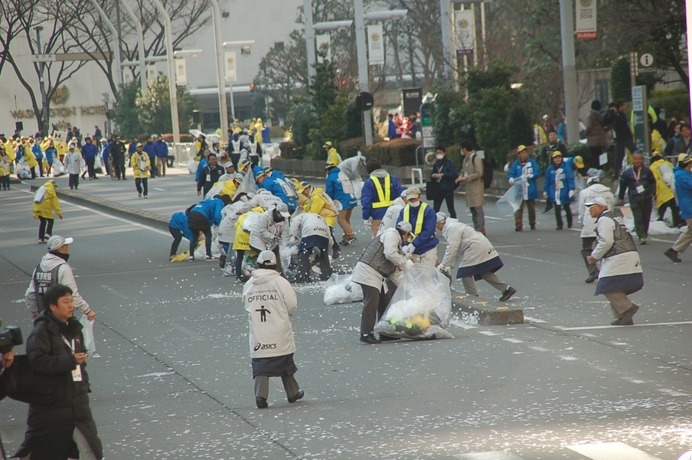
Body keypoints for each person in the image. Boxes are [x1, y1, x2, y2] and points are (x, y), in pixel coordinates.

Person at [14, 284, 103, 459]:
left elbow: (80, 361)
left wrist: (84, 383)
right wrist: (70, 361)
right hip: (51, 407)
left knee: (90, 450)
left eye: (71, 301)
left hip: (78, 403)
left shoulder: (74, 328)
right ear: (53, 306)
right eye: (65, 302)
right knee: (42, 450)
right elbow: (37, 362)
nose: (71, 306)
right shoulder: (41, 332)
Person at [242, 250, 303, 409]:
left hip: (259, 330)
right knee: (284, 361)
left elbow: (246, 304)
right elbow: (291, 305)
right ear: (275, 265)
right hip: (278, 327)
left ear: (258, 264)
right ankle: (292, 392)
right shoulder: (281, 282)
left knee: (262, 362)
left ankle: (261, 395)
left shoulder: (250, 284)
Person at [352, 221, 413, 344]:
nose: (407, 239)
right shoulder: (392, 234)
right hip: (368, 271)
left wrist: (408, 287)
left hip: (377, 275)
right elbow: (390, 254)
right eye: (408, 236)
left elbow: (394, 272)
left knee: (385, 302)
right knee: (372, 303)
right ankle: (365, 333)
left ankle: (385, 332)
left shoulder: (396, 244)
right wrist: (404, 262)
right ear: (405, 233)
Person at [586, 197, 643, 325]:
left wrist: (594, 256)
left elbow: (606, 241)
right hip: (627, 254)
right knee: (615, 286)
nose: (589, 210)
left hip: (619, 256)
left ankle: (627, 309)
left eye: (592, 207)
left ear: (601, 207)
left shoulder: (604, 220)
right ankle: (623, 316)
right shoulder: (613, 217)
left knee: (607, 286)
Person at [436, 213, 516, 302]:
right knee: (484, 272)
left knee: (465, 272)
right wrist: (449, 265)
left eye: (436, 225)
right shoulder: (453, 226)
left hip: (474, 247)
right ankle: (506, 289)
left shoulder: (451, 228)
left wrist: (444, 264)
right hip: (480, 244)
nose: (436, 227)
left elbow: (452, 247)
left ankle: (472, 296)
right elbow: (456, 250)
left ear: (440, 223)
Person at [25, 235, 97, 320]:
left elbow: (30, 294)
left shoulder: (39, 267)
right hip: (60, 317)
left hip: (42, 318)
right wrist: (87, 310)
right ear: (61, 249)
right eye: (66, 246)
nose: (68, 248)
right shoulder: (62, 267)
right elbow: (72, 294)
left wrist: (34, 311)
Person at [578, 176, 616, 283]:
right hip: (606, 221)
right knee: (607, 247)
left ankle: (593, 271)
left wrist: (582, 221)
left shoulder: (584, 192)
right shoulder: (609, 193)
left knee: (586, 249)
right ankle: (609, 272)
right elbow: (611, 207)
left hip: (589, 223)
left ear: (588, 184)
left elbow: (581, 209)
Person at [361, 159, 405, 239]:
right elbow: (401, 195)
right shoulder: (392, 178)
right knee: (395, 238)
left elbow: (366, 201)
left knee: (377, 240)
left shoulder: (369, 182)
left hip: (377, 216)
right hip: (394, 214)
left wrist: (366, 217)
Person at [618, 152, 656, 244]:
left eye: (639, 159)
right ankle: (641, 236)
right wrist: (621, 197)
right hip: (634, 198)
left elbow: (653, 182)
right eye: (635, 159)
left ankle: (644, 233)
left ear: (642, 160)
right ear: (632, 160)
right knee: (638, 217)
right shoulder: (627, 173)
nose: (637, 161)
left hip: (646, 197)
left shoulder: (647, 171)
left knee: (646, 217)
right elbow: (622, 186)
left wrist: (653, 192)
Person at [397, 186, 439, 266]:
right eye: (410, 200)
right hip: (411, 251)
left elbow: (428, 231)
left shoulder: (428, 211)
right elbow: (399, 229)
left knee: (426, 276)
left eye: (414, 199)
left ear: (420, 196)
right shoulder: (404, 211)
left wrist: (414, 244)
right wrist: (404, 245)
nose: (412, 201)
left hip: (427, 249)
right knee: (413, 277)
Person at [288, 212, 333, 282]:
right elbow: (329, 238)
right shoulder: (321, 218)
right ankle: (326, 276)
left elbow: (294, 224)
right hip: (323, 233)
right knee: (323, 255)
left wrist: (292, 235)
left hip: (309, 231)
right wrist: (327, 252)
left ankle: (302, 276)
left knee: (304, 253)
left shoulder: (300, 216)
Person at [664, 154, 692, 263]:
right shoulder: (683, 175)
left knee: (690, 231)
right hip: (689, 207)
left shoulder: (683, 174)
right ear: (687, 163)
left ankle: (674, 250)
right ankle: (674, 250)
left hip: (688, 206)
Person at [455, 140, 486, 234]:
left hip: (476, 187)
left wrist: (467, 177)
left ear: (465, 149)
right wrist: (460, 177)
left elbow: (479, 172)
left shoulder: (475, 158)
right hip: (469, 187)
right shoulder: (465, 159)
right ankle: (477, 227)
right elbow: (463, 171)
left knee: (478, 208)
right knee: (472, 208)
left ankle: (480, 228)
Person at [249, 204, 291, 274]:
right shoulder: (265, 216)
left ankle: (279, 274)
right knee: (265, 257)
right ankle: (262, 274)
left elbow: (285, 232)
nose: (282, 217)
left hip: (272, 240)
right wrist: (273, 236)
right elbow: (262, 230)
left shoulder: (284, 218)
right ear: (277, 212)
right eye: (281, 214)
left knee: (276, 252)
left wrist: (283, 242)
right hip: (258, 238)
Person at [507, 145, 540, 231]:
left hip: (530, 188)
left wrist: (532, 175)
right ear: (519, 154)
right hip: (519, 189)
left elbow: (537, 172)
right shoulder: (515, 164)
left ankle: (532, 223)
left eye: (525, 152)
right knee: (518, 208)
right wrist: (511, 178)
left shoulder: (532, 162)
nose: (524, 154)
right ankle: (518, 224)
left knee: (531, 208)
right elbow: (511, 174)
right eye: (522, 153)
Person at [325, 161, 358, 245]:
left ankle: (351, 235)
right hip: (351, 199)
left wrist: (328, 201)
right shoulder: (343, 175)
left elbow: (329, 191)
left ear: (328, 170)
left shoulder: (331, 177)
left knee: (341, 220)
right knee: (346, 220)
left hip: (342, 201)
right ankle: (345, 239)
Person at [188, 195, 229, 261]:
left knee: (194, 235)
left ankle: (191, 256)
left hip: (192, 214)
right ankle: (208, 254)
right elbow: (217, 216)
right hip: (201, 215)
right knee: (208, 235)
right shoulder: (219, 202)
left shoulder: (208, 200)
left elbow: (209, 216)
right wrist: (220, 223)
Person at [602, 99, 637, 178]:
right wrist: (611, 112)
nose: (626, 107)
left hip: (626, 137)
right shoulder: (612, 114)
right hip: (619, 139)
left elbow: (622, 122)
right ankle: (616, 173)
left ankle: (638, 166)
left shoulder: (621, 114)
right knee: (619, 157)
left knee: (633, 152)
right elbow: (604, 122)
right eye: (624, 105)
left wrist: (617, 114)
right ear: (620, 106)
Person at [543, 151, 575, 230]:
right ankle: (559, 224)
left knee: (567, 207)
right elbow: (547, 180)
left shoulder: (566, 167)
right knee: (557, 208)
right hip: (555, 192)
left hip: (564, 192)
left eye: (559, 158)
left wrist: (571, 189)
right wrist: (545, 190)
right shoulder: (550, 169)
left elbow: (570, 178)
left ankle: (569, 222)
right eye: (555, 158)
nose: (557, 159)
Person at [649, 153, 681, 228]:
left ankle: (660, 225)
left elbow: (654, 181)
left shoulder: (652, 167)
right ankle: (677, 224)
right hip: (673, 190)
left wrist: (654, 193)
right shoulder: (669, 164)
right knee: (675, 208)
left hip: (662, 192)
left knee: (661, 210)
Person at [429, 145, 458, 218]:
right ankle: (433, 223)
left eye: (440, 153)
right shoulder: (436, 164)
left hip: (448, 188)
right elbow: (433, 173)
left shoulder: (449, 163)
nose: (438, 154)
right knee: (435, 208)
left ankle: (454, 221)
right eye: (437, 153)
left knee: (450, 208)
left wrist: (442, 175)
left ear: (444, 153)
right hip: (438, 188)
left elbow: (453, 174)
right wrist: (433, 176)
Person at [33, 179, 62, 244]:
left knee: (43, 222)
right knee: (51, 220)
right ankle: (47, 236)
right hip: (45, 206)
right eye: (55, 186)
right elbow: (55, 203)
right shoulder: (51, 190)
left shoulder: (41, 188)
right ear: (53, 185)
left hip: (37, 206)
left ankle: (40, 238)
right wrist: (59, 213)